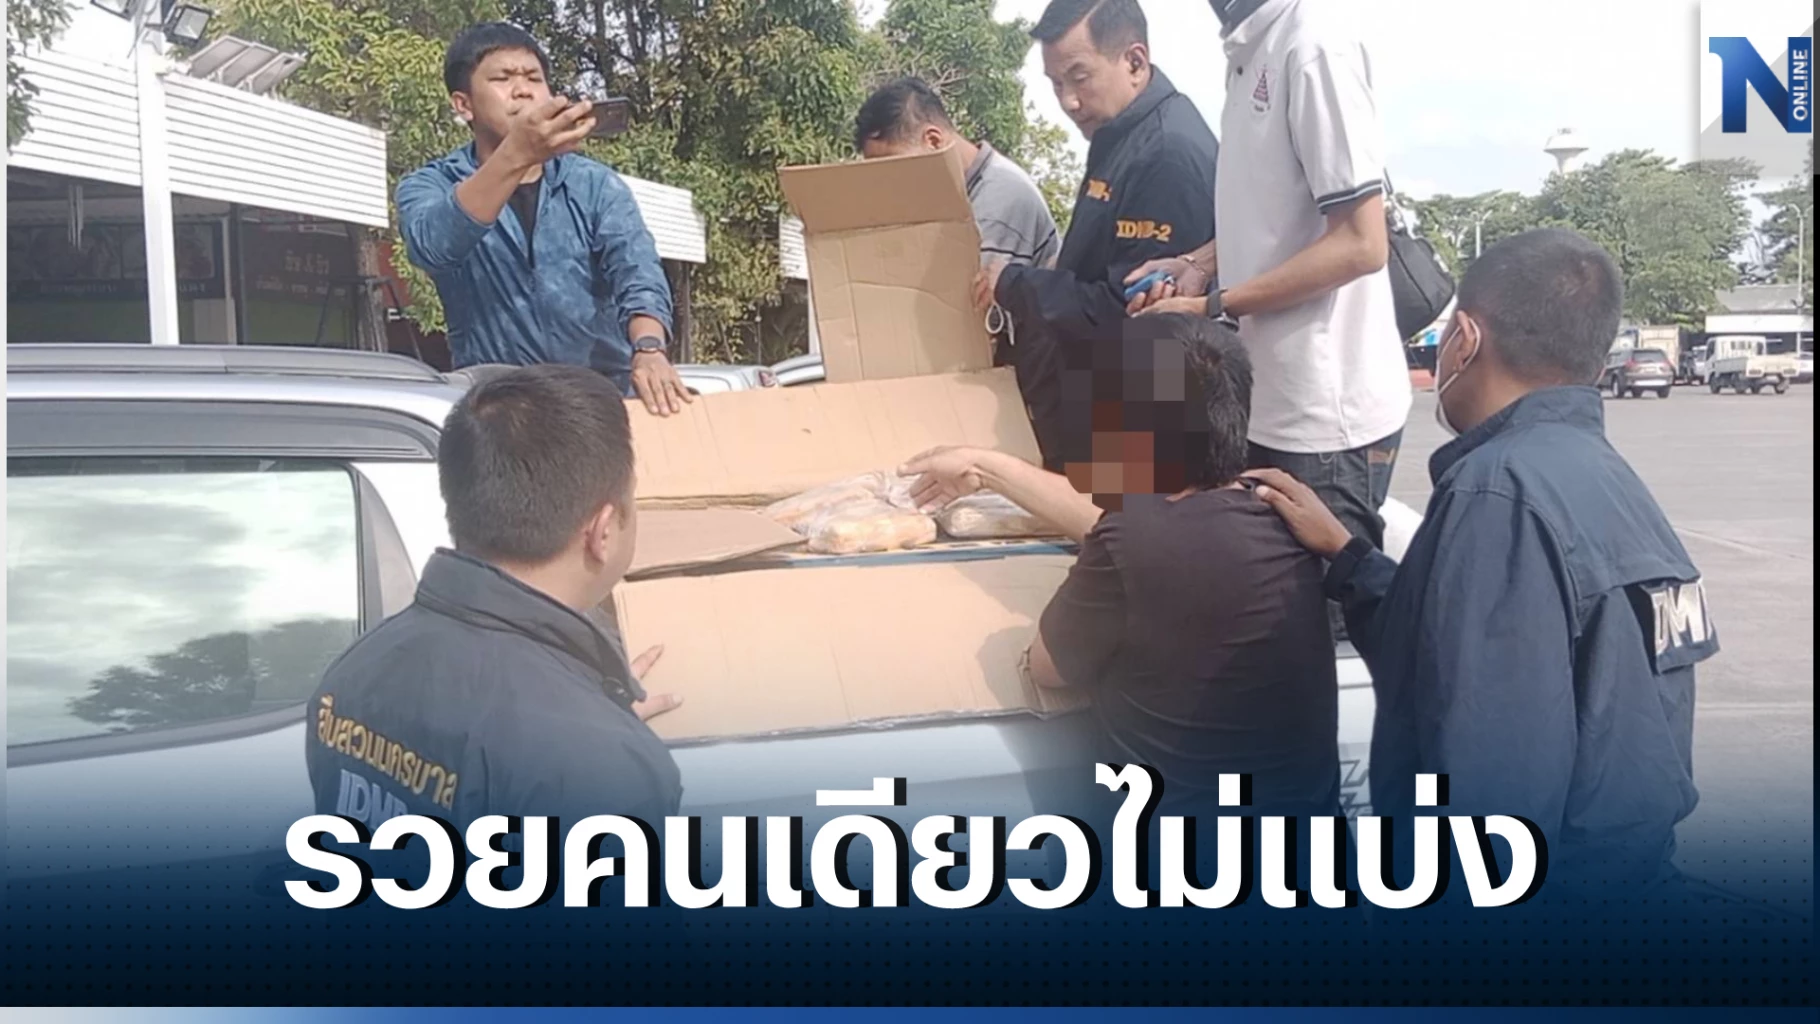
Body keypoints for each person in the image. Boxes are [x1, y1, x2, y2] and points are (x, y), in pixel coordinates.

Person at [1245, 229, 1717, 893]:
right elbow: (1452, 645)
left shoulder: (1498, 492)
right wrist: (1348, 556)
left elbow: (1489, 783)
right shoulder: (1610, 483)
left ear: (1464, 339)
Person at [902, 313, 1338, 819]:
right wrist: (986, 467)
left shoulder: (1131, 539)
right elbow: (1142, 530)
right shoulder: (1287, 514)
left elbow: (1049, 668)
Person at [305, 365, 684, 828]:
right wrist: (601, 744)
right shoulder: (603, 770)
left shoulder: (354, 673)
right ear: (602, 532)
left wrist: (592, 713)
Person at [1127, 0, 1409, 551]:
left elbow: (1361, 243)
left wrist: (1212, 306)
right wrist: (1197, 264)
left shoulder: (1314, 44)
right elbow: (1278, 217)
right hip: (1269, 402)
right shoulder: (1248, 47)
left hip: (1323, 420)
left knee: (1324, 599)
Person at [396, 22, 693, 417]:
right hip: (500, 411)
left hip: (598, 404)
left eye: (534, 78)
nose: (523, 90)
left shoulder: (594, 184)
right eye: (503, 78)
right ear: (463, 105)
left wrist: (649, 348)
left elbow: (638, 271)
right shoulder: (430, 185)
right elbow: (433, 247)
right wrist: (516, 155)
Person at [980, 0, 1220, 471]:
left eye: (1080, 77)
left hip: (1142, 423)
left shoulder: (1165, 154)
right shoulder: (1120, 136)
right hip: (1096, 406)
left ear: (1135, 61)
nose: (1069, 101)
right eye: (1056, 84)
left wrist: (1013, 283)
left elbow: (1127, 310)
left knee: (1112, 521)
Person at [856, 76, 1062, 271]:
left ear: (934, 141)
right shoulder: (954, 198)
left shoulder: (999, 203)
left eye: (893, 167)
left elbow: (964, 294)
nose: (888, 183)